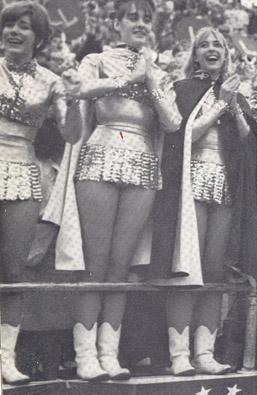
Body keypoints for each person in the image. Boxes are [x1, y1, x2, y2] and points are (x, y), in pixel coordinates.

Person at [66, 0, 181, 381]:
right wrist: (126, 81)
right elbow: (81, 89)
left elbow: (173, 122)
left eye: (147, 18)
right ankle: (85, 355)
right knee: (96, 263)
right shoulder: (96, 59)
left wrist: (149, 80)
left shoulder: (158, 71)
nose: (141, 24)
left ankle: (108, 353)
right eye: (133, 17)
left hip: (142, 162)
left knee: (121, 265)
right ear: (115, 23)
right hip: (100, 153)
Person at [156, 26, 255, 376]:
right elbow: (186, 134)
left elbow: (248, 145)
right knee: (188, 269)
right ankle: (179, 354)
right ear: (195, 54)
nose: (212, 50)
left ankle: (205, 352)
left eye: (219, 45)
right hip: (191, 183)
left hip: (224, 186)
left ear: (227, 55)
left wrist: (235, 107)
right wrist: (218, 106)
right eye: (204, 45)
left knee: (214, 271)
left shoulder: (235, 96)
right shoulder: (182, 90)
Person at [0, 1, 79, 384]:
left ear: (40, 37)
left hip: (23, 172)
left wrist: (78, 99)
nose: (14, 31)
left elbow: (72, 134)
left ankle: (4, 360)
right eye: (10, 24)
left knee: (13, 273)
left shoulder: (51, 80)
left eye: (24, 27)